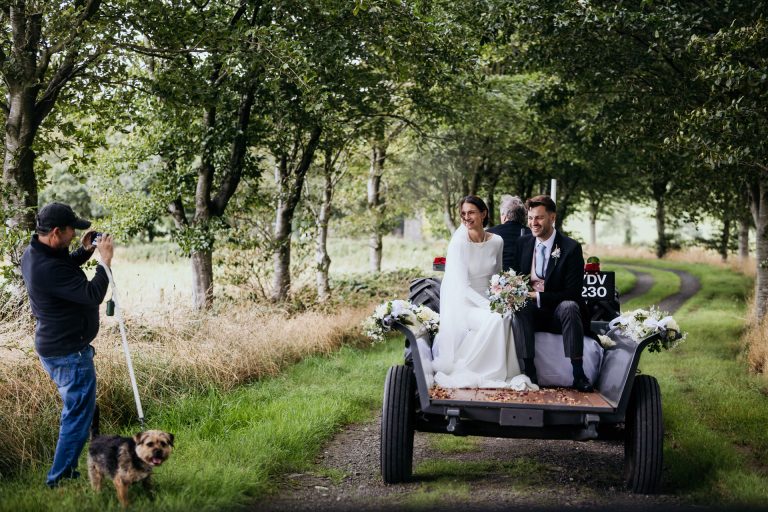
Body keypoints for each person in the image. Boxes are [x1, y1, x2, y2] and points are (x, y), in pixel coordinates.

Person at [20, 202, 114, 488]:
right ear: (57, 232)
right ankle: (59, 480)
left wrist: (85, 251)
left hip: (60, 348)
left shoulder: (38, 250)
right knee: (76, 417)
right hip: (68, 353)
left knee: (81, 411)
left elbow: (64, 267)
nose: (76, 235)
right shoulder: (45, 266)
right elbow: (92, 294)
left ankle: (67, 473)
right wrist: (104, 262)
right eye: (73, 231)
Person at [432, 195, 537, 390]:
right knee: (497, 319)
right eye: (463, 213)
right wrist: (490, 307)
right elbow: (462, 288)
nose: (466, 217)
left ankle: (505, 372)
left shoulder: (497, 241)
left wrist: (504, 296)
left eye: (471, 212)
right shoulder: (459, 244)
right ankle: (487, 373)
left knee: (507, 315)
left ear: (483, 214)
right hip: (466, 305)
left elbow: (496, 276)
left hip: (490, 300)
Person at [513, 195, 593, 392]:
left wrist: (538, 296)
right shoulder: (522, 244)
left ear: (552, 218)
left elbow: (573, 293)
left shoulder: (570, 248)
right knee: (519, 306)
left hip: (558, 312)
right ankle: (529, 371)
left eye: (539, 218)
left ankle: (578, 373)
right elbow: (515, 278)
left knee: (570, 306)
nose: (533, 223)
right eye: (530, 218)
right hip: (531, 313)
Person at [487, 194, 531, 271]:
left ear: (504, 216)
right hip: (525, 279)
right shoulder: (531, 234)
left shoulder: (489, 233)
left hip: (495, 280)